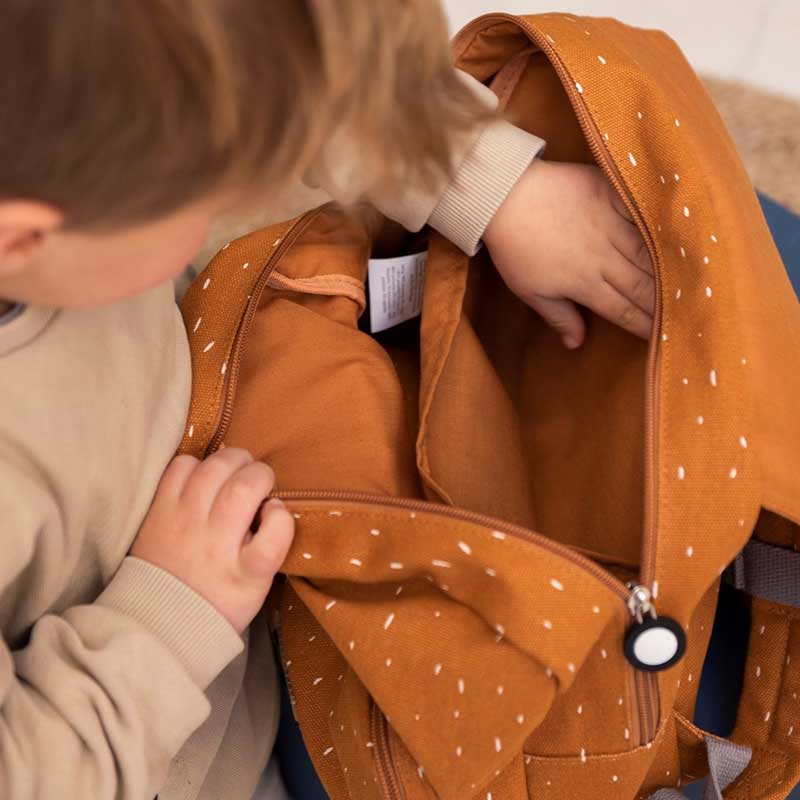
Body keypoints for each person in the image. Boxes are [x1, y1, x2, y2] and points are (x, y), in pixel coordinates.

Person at [0, 1, 654, 798]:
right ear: (22, 238)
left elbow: (275, 59)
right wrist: (172, 613)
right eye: (201, 200)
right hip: (181, 738)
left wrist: (489, 183)